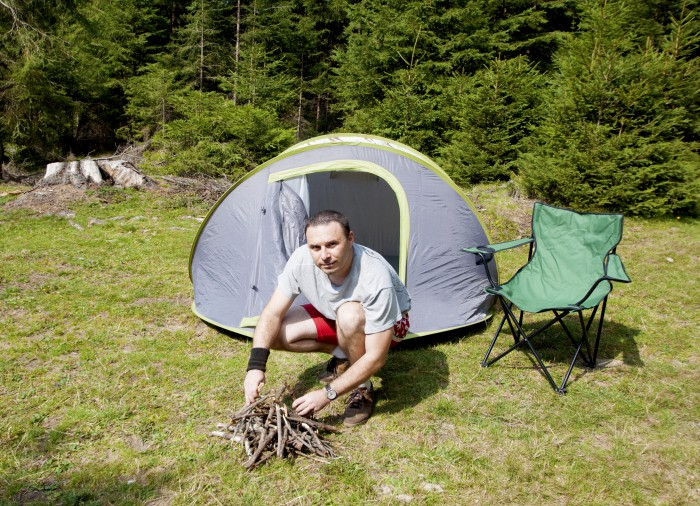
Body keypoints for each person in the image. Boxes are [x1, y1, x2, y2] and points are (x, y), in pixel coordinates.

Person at [243, 210, 411, 427]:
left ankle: (363, 389)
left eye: (332, 244)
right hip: (337, 314)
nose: (324, 255)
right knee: (276, 332)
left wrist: (327, 394)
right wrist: (256, 367)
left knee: (349, 314)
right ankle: (344, 356)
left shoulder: (375, 276)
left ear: (350, 238)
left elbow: (377, 357)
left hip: (390, 325)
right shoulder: (301, 259)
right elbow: (272, 314)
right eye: (315, 247)